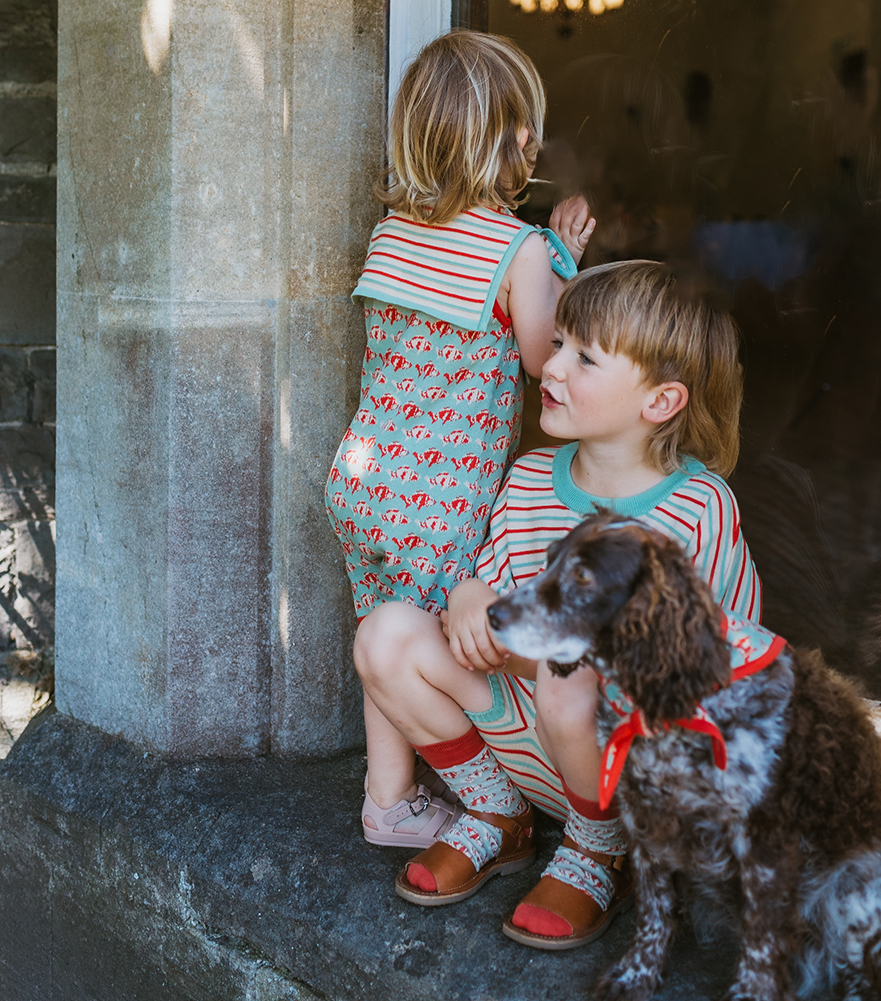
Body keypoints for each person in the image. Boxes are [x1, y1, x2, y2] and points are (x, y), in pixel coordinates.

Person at [354, 260, 761, 949]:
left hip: (634, 768)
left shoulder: (698, 508)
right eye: (560, 340)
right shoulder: (529, 478)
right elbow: (488, 585)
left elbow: (714, 667)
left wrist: (561, 651)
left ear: (659, 401)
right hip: (532, 743)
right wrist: (469, 594)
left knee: (569, 676)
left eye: (585, 356)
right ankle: (496, 811)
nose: (551, 363)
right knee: (386, 633)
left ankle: (597, 849)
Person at [325, 31, 596, 850]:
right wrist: (565, 261)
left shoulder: (391, 233)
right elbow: (545, 359)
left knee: (382, 631)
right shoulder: (514, 251)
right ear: (511, 140)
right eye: (528, 129)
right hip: (440, 502)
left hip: (363, 482)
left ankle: (389, 800)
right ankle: (496, 793)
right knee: (449, 649)